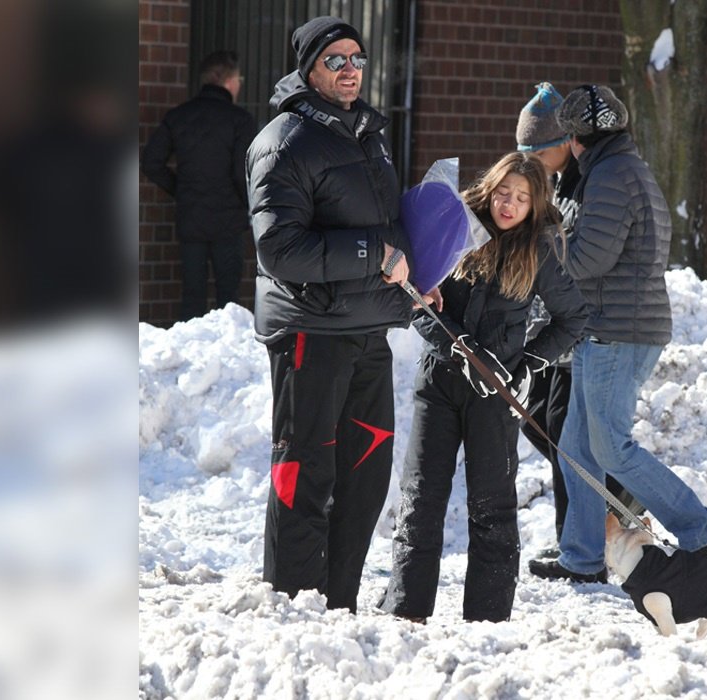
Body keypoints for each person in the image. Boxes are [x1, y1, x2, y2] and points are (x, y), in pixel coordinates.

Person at [245, 16, 428, 613]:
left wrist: (418, 277)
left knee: (366, 474)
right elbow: (280, 249)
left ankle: (339, 603)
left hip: (367, 327)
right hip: (311, 331)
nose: (350, 70)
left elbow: (386, 225)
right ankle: (295, 604)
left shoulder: (366, 135)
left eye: (357, 58)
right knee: (306, 473)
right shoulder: (284, 141)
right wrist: (373, 254)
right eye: (336, 60)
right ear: (308, 69)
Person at [530, 85, 707, 584]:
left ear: (578, 139)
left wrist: (542, 237)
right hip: (610, 326)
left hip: (616, 331)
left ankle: (700, 526)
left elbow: (586, 259)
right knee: (576, 447)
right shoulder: (617, 170)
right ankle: (582, 556)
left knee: (611, 448)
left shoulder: (612, 177)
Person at [380, 152, 588, 622]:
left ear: (535, 205)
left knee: (492, 505)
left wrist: (528, 363)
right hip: (439, 383)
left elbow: (573, 317)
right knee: (421, 497)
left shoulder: (538, 251)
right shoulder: (454, 227)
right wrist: (457, 348)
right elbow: (419, 300)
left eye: (522, 198)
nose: (509, 204)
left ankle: (488, 617)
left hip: (496, 395)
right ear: (490, 188)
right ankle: (406, 609)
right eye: (503, 192)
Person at [514, 82, 642, 555]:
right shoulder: (552, 184)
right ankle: (606, 504)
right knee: (539, 423)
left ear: (562, 144)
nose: (526, 161)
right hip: (551, 326)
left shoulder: (589, 182)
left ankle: (582, 540)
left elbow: (586, 252)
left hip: (584, 326)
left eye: (534, 151)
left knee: (568, 437)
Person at [141, 50, 257, 322]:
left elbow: (151, 163)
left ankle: (187, 355)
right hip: (228, 220)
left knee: (191, 295)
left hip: (191, 216)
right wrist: (248, 206)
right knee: (227, 297)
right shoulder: (240, 120)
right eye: (238, 78)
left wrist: (180, 189)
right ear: (228, 81)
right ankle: (224, 356)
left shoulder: (178, 116)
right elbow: (243, 174)